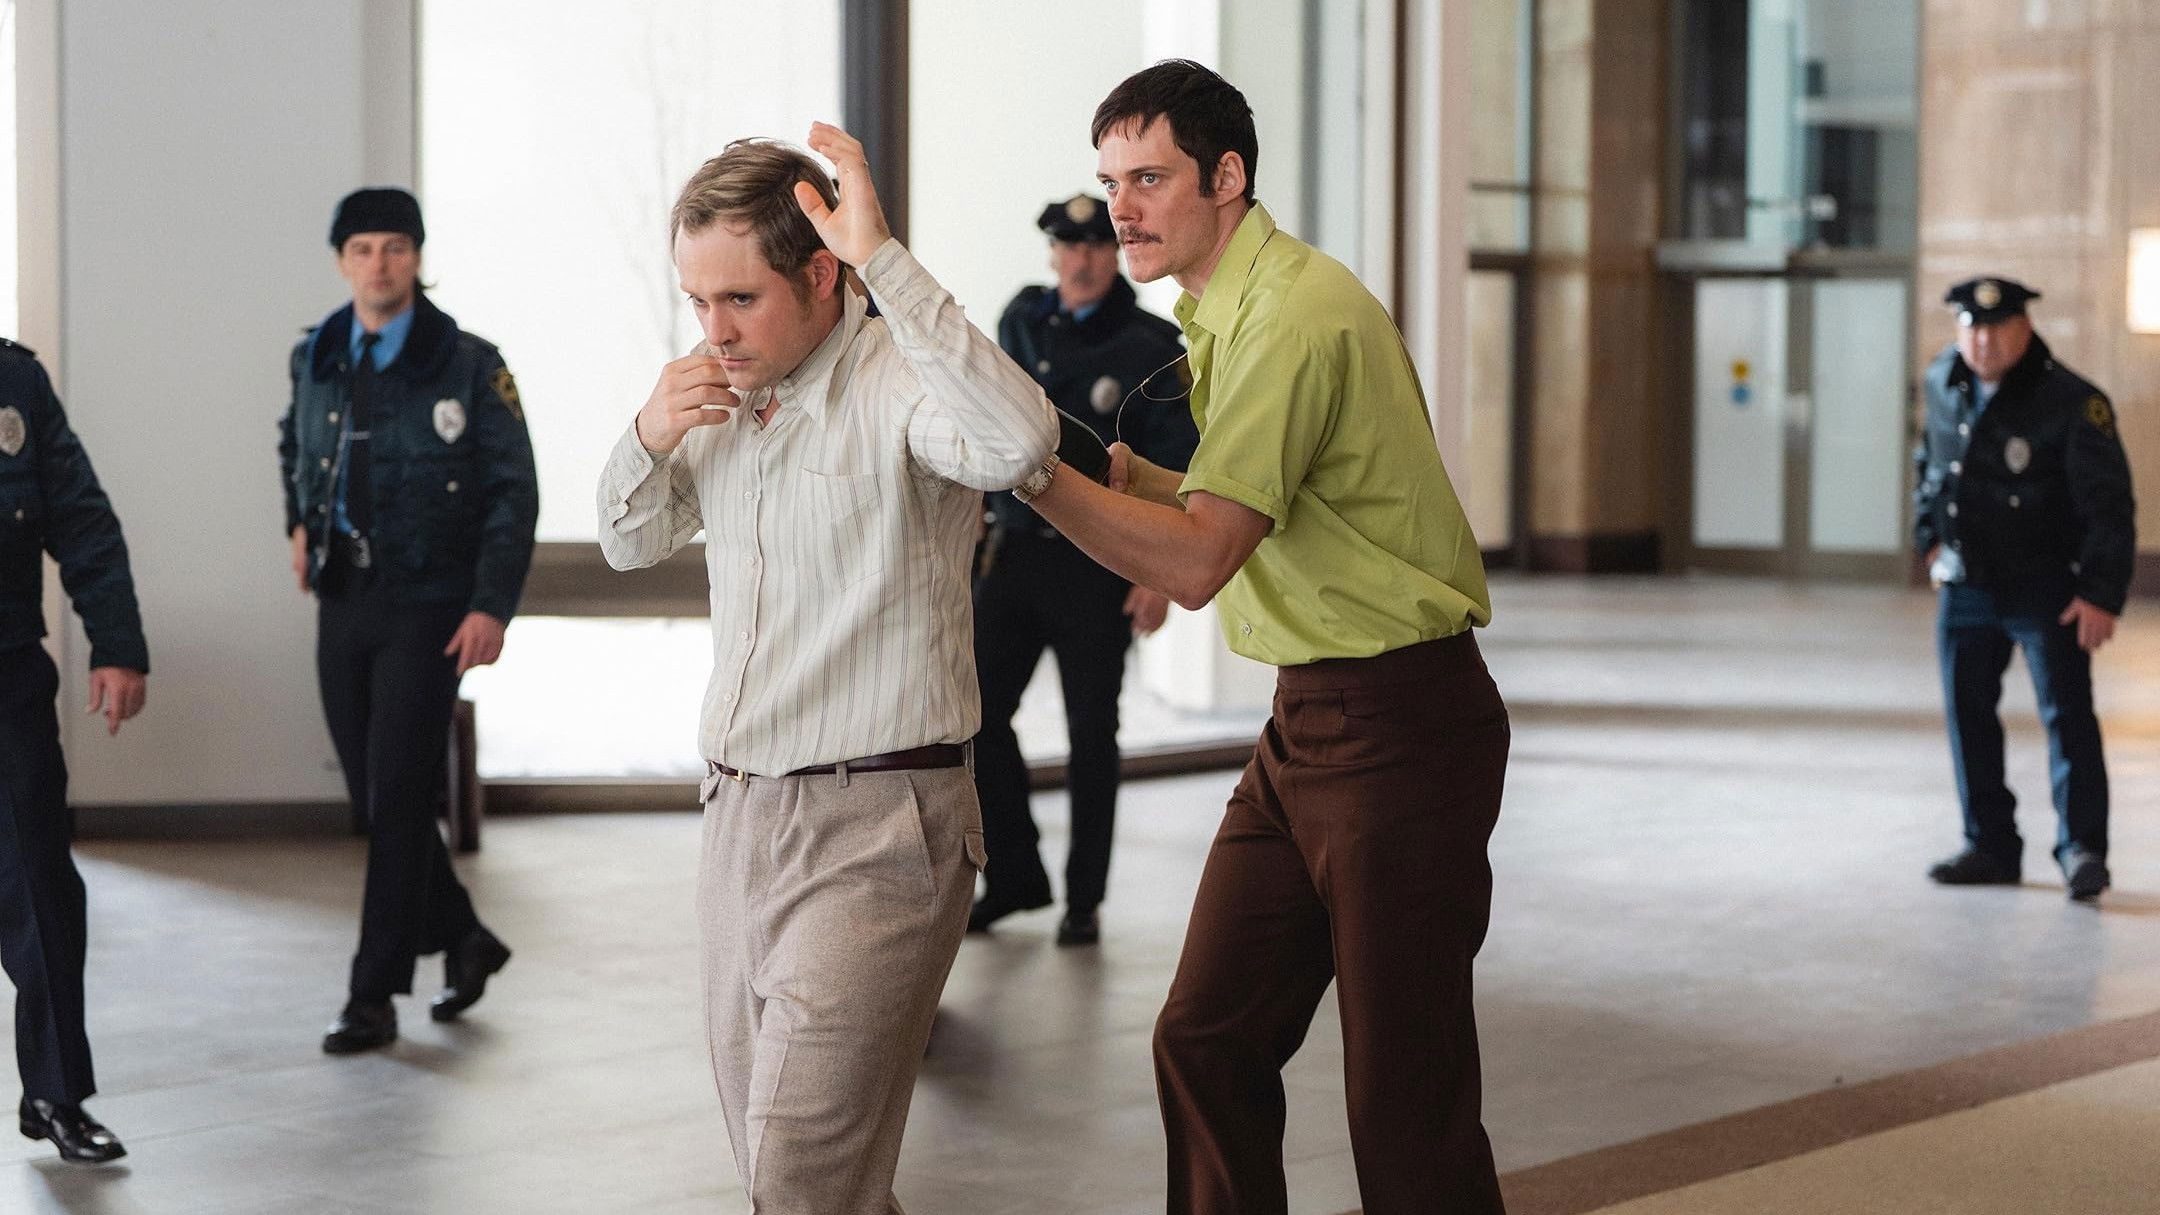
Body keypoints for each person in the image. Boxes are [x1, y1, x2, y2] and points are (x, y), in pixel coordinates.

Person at [1019, 61, 1510, 1213]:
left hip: (1401, 724)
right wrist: (1131, 477)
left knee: (1405, 1100)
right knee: (1207, 1037)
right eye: (1110, 181)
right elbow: (1260, 499)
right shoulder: (1230, 309)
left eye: (1150, 178)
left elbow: (1199, 562)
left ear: (1227, 175)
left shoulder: (1290, 317)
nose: (1123, 208)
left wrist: (1038, 480)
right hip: (1310, 724)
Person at [596, 129, 1066, 1214]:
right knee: (805, 1179)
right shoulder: (718, 398)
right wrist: (647, 433)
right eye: (697, 300)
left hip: (882, 827)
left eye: (739, 299)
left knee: (799, 1173)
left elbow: (1020, 448)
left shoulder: (901, 378)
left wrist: (884, 259)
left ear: (819, 272)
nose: (715, 330)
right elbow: (625, 540)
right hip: (737, 820)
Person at [278, 187, 538, 1053]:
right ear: (341, 261)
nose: (379, 263)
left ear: (418, 257)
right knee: (373, 794)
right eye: (362, 248)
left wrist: (491, 603)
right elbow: (293, 442)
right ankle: (465, 936)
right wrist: (298, 523)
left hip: (430, 605)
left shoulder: (468, 363)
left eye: (395, 246)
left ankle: (372, 993)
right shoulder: (316, 354)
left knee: (398, 800)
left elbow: (512, 492)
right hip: (343, 598)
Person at [967, 192, 1198, 946]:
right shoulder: (1021, 320)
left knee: (1091, 733)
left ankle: (1083, 900)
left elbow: (1178, 466)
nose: (1082, 260)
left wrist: (1158, 576)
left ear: (1114, 254)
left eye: (1097, 246)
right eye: (1069, 247)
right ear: (1053, 254)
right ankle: (1014, 874)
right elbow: (990, 421)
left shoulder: (1152, 345)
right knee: (973, 715)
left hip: (1099, 561)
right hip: (1014, 553)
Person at [1915, 277, 2133, 902]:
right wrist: (1927, 536)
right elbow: (1930, 465)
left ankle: (2081, 848)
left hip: (2044, 587)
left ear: (2025, 329)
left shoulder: (2072, 402)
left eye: (1996, 327)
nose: (1982, 341)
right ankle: (1990, 844)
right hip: (1967, 585)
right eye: (1971, 328)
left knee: (2067, 717)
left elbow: (2108, 506)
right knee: (1968, 716)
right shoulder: (1942, 381)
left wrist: (2100, 593)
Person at [0, 338, 145, 1164]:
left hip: (6, 672)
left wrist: (117, 643)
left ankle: (56, 1092)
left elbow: (81, 518)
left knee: (42, 885)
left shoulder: (15, 382)